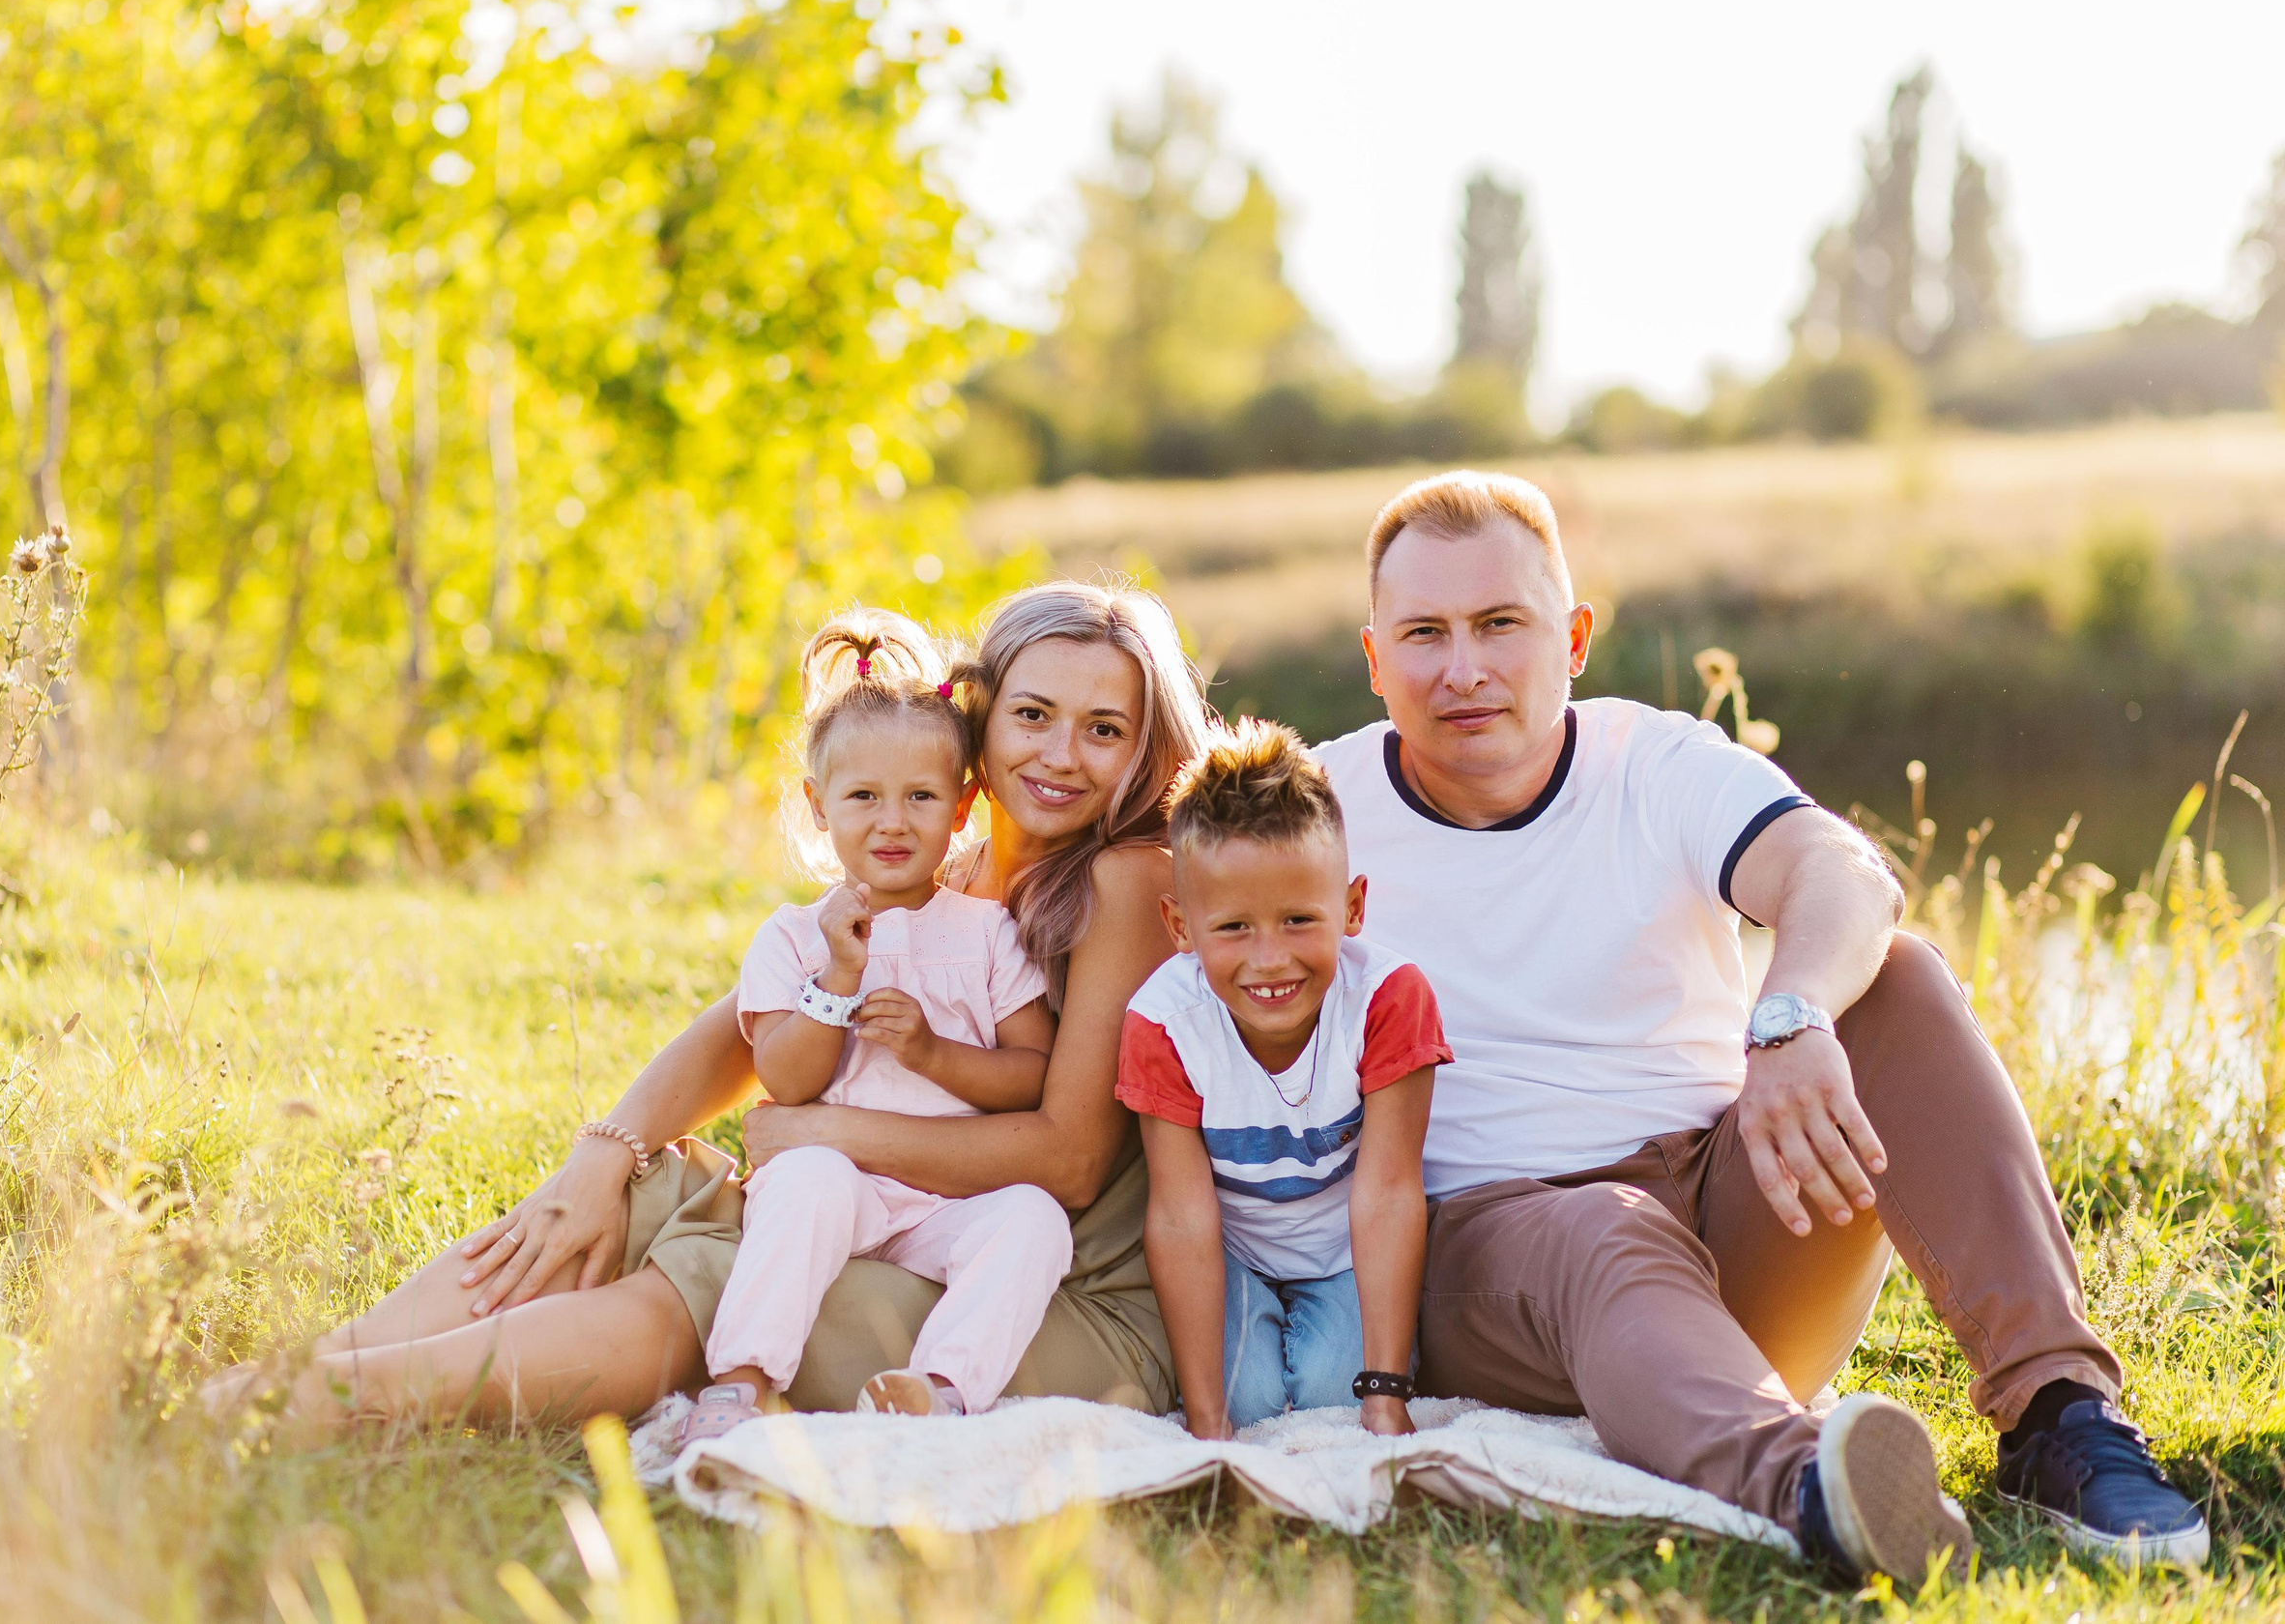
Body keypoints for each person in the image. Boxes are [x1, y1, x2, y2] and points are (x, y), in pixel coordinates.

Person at [1316, 470, 2210, 1580]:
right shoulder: (1314, 812)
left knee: (1895, 980)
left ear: (1575, 637)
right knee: (1602, 1227)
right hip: (1491, 1252)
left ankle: (2057, 1414)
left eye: (1501, 623)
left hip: (1724, 1213)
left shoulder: (1654, 760)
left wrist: (1788, 1024)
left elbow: (1840, 872)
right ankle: (1812, 1487)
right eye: (1424, 634)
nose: (1464, 669)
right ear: (1372, 659)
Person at [207, 581, 1211, 1433]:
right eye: (1032, 715)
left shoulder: (1122, 879)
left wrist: (819, 1127)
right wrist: (604, 1156)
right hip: (914, 1231)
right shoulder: (949, 861)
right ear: (977, 719)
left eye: (1105, 730)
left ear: (1142, 754)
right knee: (648, 1195)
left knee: (728, 1255)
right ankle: (296, 1372)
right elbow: (745, 1027)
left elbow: (1069, 1161)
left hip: (1048, 1295)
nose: (1060, 754)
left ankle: (333, 1401)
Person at [682, 611, 1069, 1444]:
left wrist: (933, 1052)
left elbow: (1033, 1073)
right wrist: (836, 983)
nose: (892, 822)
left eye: (921, 797)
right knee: (805, 1177)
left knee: (1036, 1218)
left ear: (962, 806)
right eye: (863, 797)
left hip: (950, 1198)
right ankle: (741, 1381)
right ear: (819, 807)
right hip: (843, 1191)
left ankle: (939, 1387)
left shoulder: (986, 930)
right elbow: (786, 1083)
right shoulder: (794, 936)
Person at [1120, 720, 1442, 1440]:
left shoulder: (1389, 998)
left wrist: (1386, 1394)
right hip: (1230, 1254)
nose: (1270, 959)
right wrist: (1206, 1422)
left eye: (1300, 919)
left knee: (1337, 1391)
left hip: (1344, 1250)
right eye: (1233, 927)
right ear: (1181, 926)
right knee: (1250, 1401)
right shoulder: (1165, 1023)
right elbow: (1180, 1215)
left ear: (1352, 907)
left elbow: (1390, 1192)